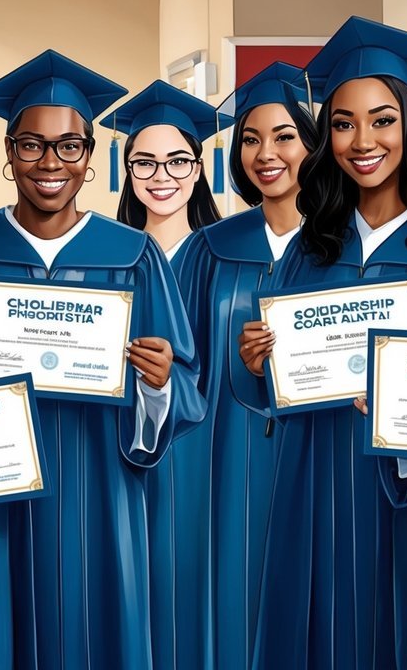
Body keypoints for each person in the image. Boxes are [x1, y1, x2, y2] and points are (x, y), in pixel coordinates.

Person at [0, 49, 200, 669]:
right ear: (9, 153)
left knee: (98, 630)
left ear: (90, 158)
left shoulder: (134, 254)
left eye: (68, 146)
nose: (50, 162)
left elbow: (186, 385)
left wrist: (159, 383)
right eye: (31, 145)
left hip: (99, 487)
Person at [243, 18, 407, 670]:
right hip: (308, 480)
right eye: (341, 123)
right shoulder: (309, 250)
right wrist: (257, 363)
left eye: (382, 120)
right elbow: (266, 397)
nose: (361, 141)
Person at [140, 62, 317, 670]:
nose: (265, 154)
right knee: (223, 610)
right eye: (250, 138)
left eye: (285, 136)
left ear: (313, 145)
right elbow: (182, 369)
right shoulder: (208, 248)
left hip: (315, 456)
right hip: (216, 463)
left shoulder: (343, 249)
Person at [108, 79, 222, 262]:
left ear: (197, 170)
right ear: (129, 170)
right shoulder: (109, 258)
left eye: (177, 161)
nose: (161, 177)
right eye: (145, 163)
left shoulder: (223, 258)